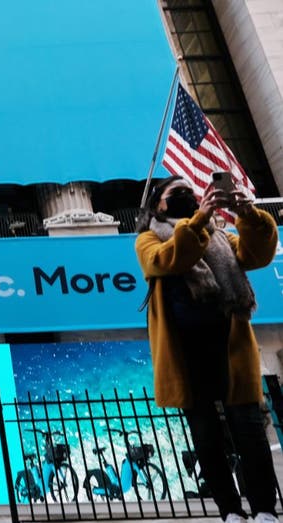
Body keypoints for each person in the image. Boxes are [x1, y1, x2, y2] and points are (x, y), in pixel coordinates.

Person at [135, 175, 280, 523]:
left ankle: (264, 509)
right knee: (207, 437)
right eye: (177, 193)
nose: (186, 195)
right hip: (187, 353)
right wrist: (199, 219)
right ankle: (231, 511)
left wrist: (249, 215)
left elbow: (258, 255)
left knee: (248, 430)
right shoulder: (148, 240)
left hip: (230, 343)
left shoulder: (220, 237)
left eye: (190, 190)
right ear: (159, 204)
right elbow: (173, 259)